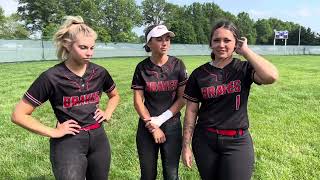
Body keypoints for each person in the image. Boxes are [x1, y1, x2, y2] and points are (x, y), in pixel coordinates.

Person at [11, 16, 120, 180]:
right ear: (67, 45)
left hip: (99, 139)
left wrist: (108, 112)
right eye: (83, 47)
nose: (89, 53)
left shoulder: (100, 73)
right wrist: (53, 132)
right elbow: (18, 115)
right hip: (68, 142)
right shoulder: (51, 77)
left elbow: (114, 95)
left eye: (92, 47)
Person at [181, 20, 279, 180]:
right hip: (205, 140)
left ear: (236, 44)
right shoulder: (199, 74)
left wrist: (246, 51)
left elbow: (271, 76)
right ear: (210, 44)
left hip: (237, 141)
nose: (221, 44)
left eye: (227, 40)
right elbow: (191, 111)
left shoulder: (243, 68)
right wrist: (186, 146)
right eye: (217, 40)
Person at [131, 24, 188, 180]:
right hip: (147, 126)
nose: (165, 43)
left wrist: (161, 119)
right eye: (159, 39)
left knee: (171, 174)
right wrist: (152, 125)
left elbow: (182, 98)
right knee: (148, 175)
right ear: (149, 43)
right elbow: (138, 101)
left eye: (167, 39)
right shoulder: (142, 68)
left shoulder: (178, 65)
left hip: (172, 125)